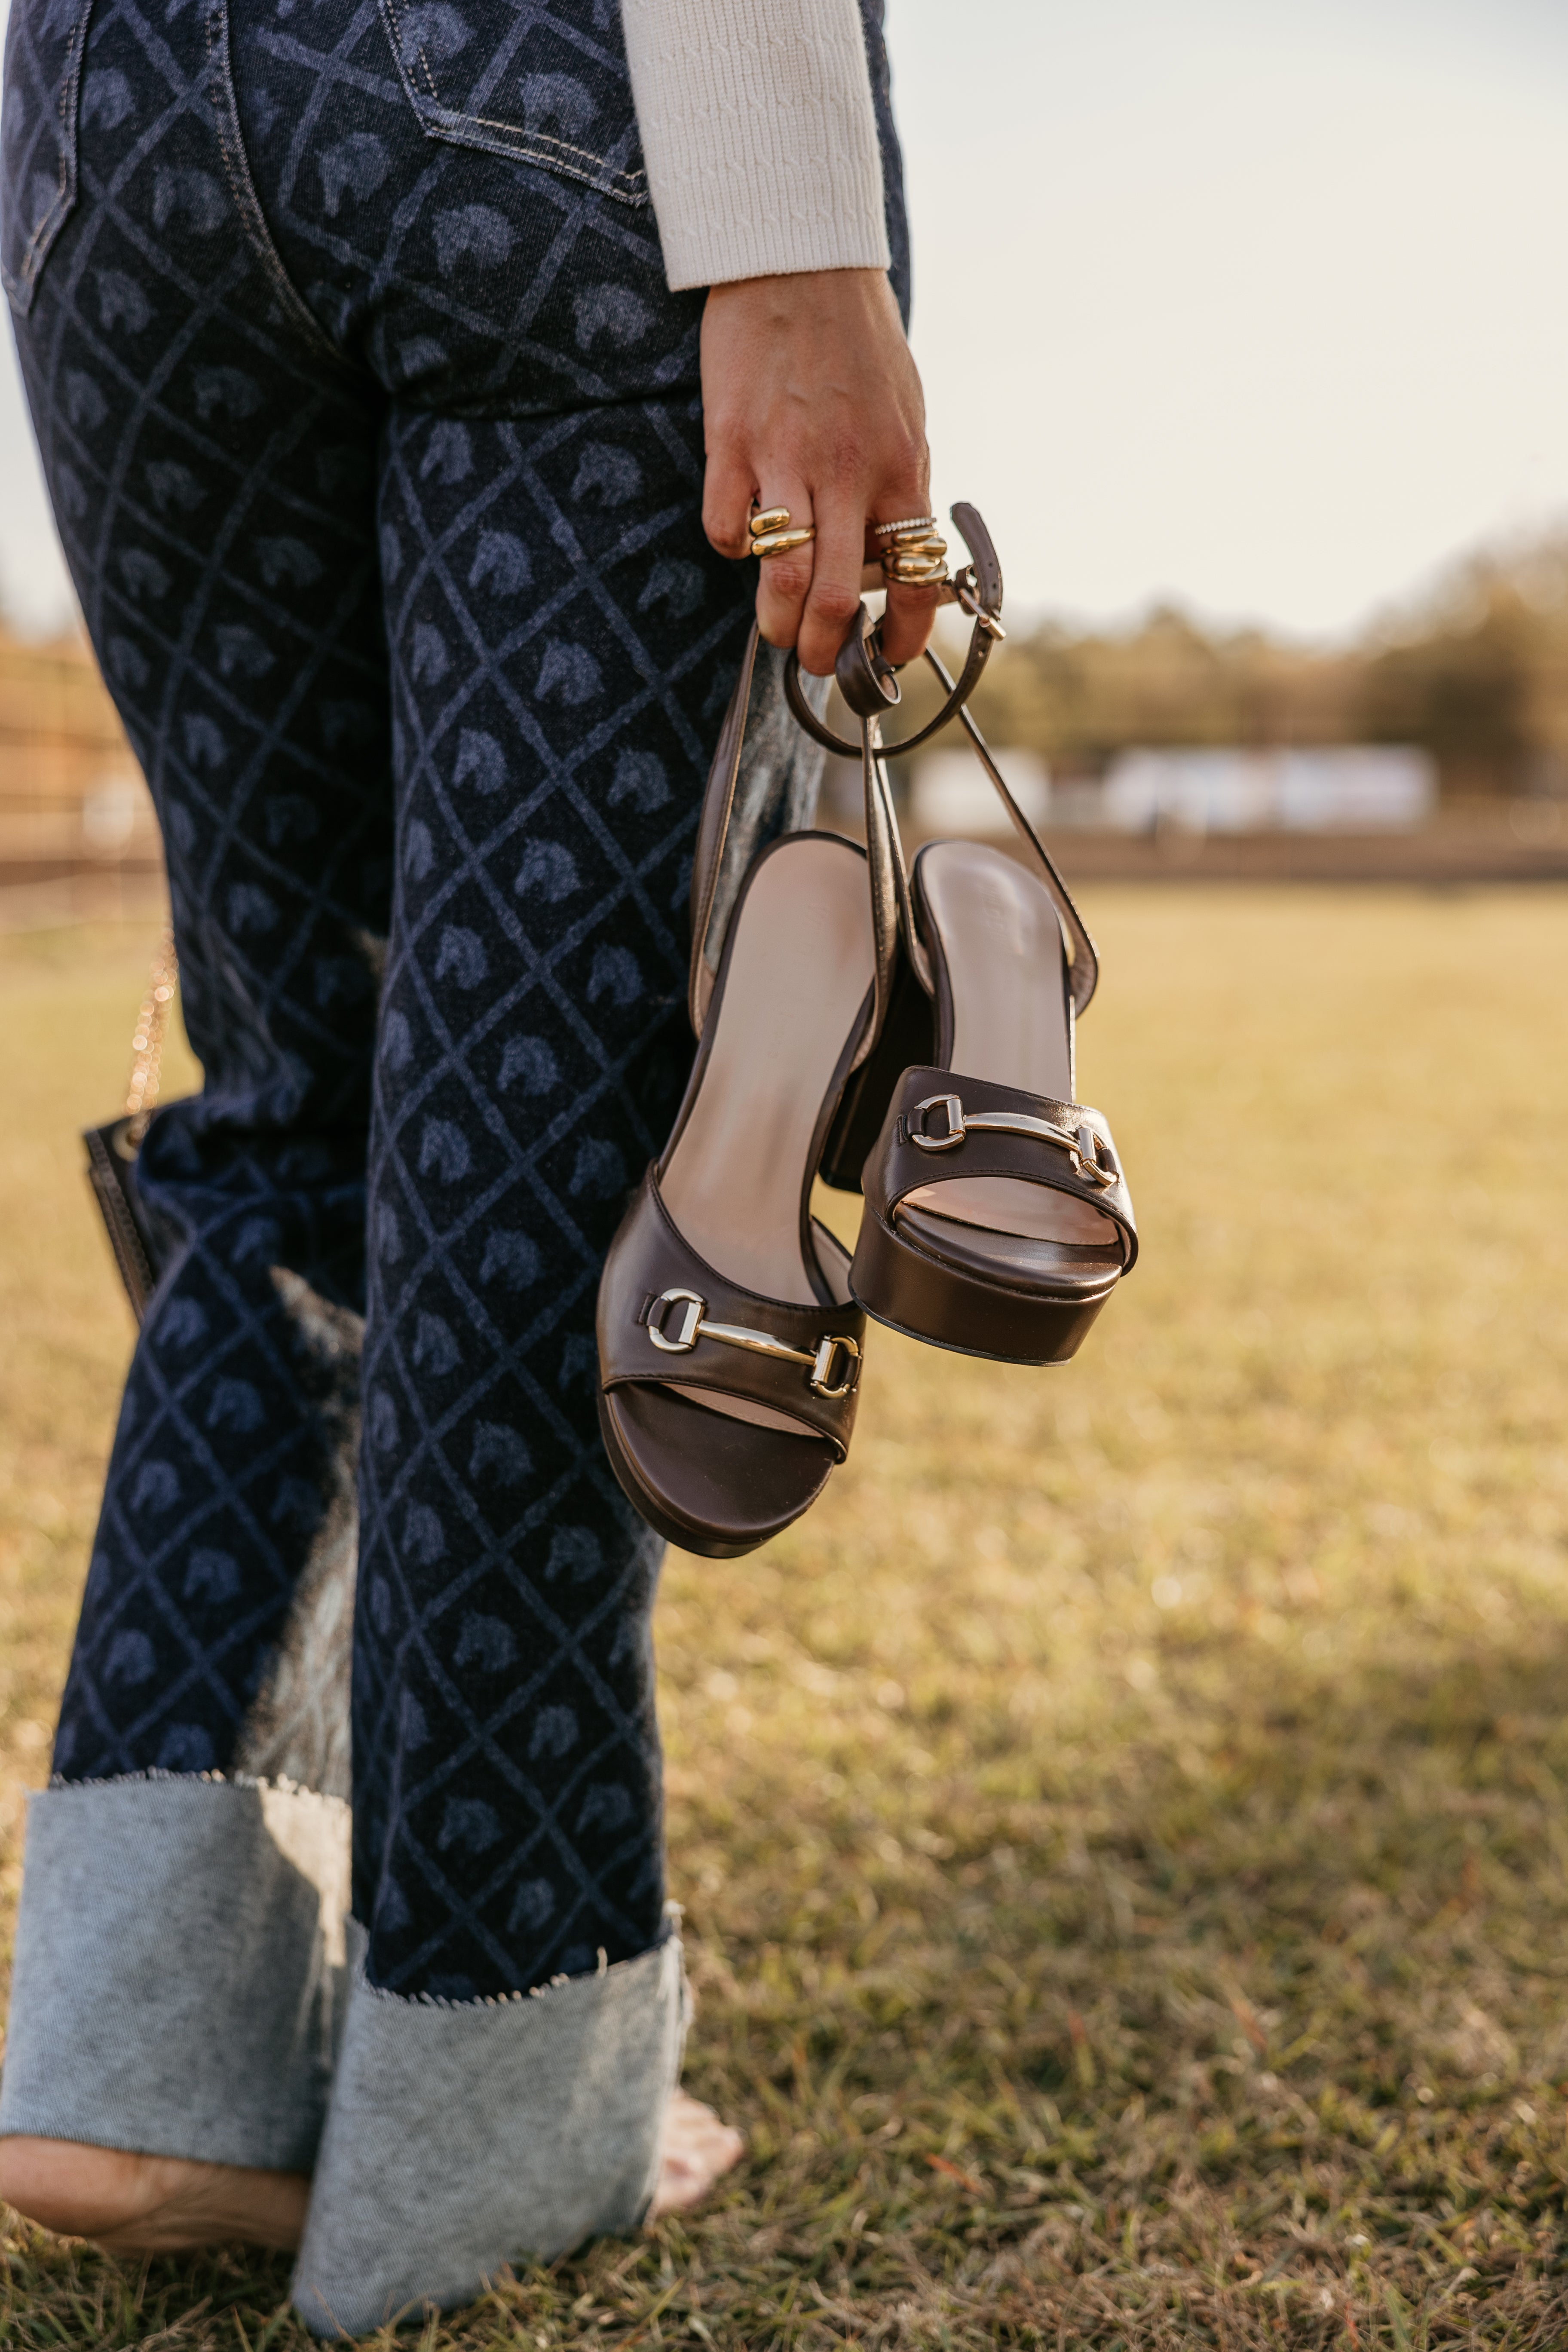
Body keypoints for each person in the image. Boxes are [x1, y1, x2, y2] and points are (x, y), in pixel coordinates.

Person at [0, 0, 940, 2330]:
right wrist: (805, 237)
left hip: (101, 126)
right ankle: (496, 2098)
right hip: (520, 100)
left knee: (290, 1092)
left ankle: (137, 2067)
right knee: (531, 1137)